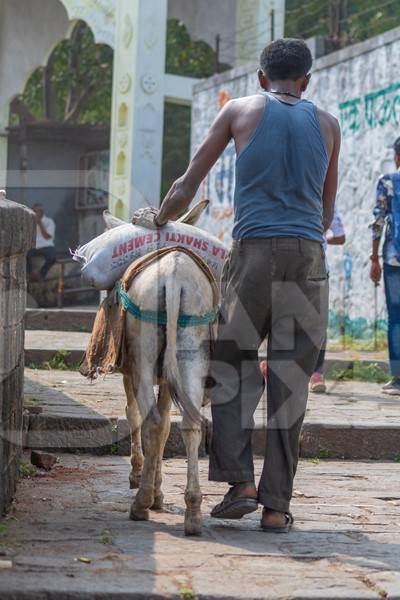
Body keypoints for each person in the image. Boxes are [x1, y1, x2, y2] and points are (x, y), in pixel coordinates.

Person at [133, 38, 341, 532]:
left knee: (233, 366)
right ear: (306, 81)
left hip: (253, 256)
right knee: (291, 383)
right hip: (309, 258)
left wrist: (158, 218)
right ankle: (276, 507)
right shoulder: (329, 125)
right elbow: (327, 213)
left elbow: (188, 184)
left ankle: (239, 483)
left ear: (261, 77)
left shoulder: (240, 111)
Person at [370, 138, 400, 395]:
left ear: (397, 157)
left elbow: (378, 221)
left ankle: (398, 379)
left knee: (396, 318)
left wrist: (373, 257)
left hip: (394, 258)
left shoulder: (388, 182)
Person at [309, 208, 346, 393]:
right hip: (314, 263)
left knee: (315, 321)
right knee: (316, 322)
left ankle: (315, 371)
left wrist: (322, 239)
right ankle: (314, 372)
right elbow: (339, 236)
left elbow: (340, 237)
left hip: (313, 267)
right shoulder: (324, 200)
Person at [27, 203, 56, 281]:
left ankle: (41, 274)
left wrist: (40, 223)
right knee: (25, 255)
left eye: (37, 211)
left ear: (41, 212)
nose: (35, 213)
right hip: (34, 245)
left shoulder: (49, 221)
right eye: (34, 211)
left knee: (52, 257)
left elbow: (47, 236)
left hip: (46, 245)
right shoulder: (29, 221)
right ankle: (30, 275)